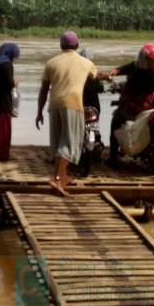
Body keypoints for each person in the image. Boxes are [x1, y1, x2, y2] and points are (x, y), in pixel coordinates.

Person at [36, 31, 98, 195]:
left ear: (61, 46)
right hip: (73, 104)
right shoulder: (85, 62)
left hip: (54, 104)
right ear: (77, 45)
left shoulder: (51, 63)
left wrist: (39, 112)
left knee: (58, 142)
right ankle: (56, 179)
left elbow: (43, 90)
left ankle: (63, 176)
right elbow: (96, 76)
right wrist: (110, 75)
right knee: (70, 143)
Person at [107, 43, 154, 165]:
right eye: (144, 57)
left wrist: (150, 106)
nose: (144, 60)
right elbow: (127, 67)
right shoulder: (139, 66)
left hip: (134, 104)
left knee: (115, 122)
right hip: (138, 103)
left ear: (153, 61)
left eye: (147, 59)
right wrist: (116, 71)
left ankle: (113, 158)